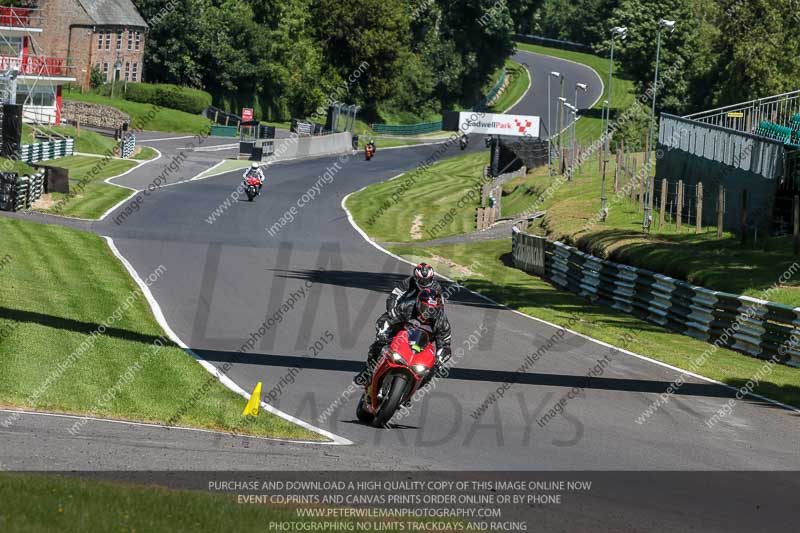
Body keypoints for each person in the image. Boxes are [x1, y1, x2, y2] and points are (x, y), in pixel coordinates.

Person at [356, 287, 452, 386]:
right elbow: (387, 319)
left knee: (430, 373)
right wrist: (382, 333)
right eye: (425, 308)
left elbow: (445, 346)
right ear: (418, 304)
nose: (428, 313)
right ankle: (367, 372)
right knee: (378, 347)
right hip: (397, 338)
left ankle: (409, 392)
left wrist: (439, 361)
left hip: (420, 348)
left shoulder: (442, 322)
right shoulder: (407, 306)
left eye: (433, 310)